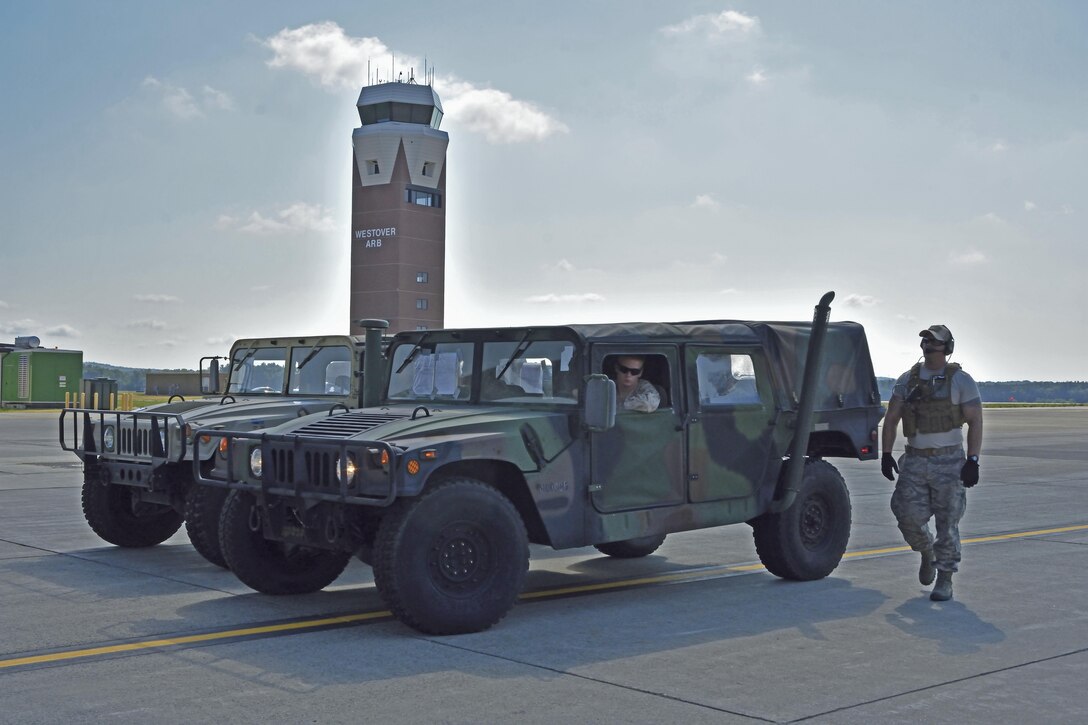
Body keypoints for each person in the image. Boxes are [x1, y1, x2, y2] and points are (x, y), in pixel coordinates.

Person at [881, 325, 983, 601]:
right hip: (914, 460)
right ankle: (927, 551)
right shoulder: (908, 380)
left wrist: (972, 459)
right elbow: (891, 418)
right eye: (925, 340)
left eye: (934, 341)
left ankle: (945, 579)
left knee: (947, 523)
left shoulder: (961, 381)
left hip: (949, 462)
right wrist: (886, 453)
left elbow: (975, 420)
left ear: (947, 348)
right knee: (905, 515)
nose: (928, 345)